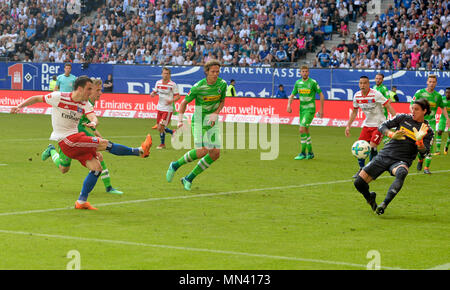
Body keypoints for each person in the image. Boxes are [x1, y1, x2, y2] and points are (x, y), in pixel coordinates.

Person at [10, 76, 152, 210]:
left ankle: (81, 201)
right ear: (80, 89)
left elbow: (93, 117)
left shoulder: (84, 104)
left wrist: (93, 122)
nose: (91, 92)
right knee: (104, 144)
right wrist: (19, 106)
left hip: (76, 138)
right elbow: (36, 98)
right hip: (67, 140)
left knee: (96, 168)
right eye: (89, 89)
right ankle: (139, 151)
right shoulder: (59, 97)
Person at [41, 78, 123, 195]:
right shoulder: (83, 99)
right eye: (98, 90)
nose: (100, 93)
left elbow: (88, 120)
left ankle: (109, 187)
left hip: (80, 132)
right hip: (71, 135)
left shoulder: (89, 103)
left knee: (96, 156)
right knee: (64, 168)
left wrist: (95, 130)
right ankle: (52, 150)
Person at [353, 98, 434, 215]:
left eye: (417, 109)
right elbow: (382, 126)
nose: (413, 111)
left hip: (401, 160)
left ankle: (383, 205)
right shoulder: (403, 118)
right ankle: (370, 198)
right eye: (413, 108)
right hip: (385, 155)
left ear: (424, 111)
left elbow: (424, 153)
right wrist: (391, 134)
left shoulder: (428, 131)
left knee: (401, 173)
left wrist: (420, 141)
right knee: (359, 183)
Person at [166, 60, 227, 191]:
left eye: (217, 72)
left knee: (215, 153)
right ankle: (175, 165)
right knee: (203, 149)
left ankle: (188, 178)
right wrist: (180, 120)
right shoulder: (198, 87)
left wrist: (216, 113)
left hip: (212, 121)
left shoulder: (222, 85)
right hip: (199, 119)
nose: (215, 74)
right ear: (206, 72)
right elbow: (183, 103)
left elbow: (222, 101)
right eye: (213, 72)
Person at [345, 76, 397, 178]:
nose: (362, 85)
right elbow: (355, 111)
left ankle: (371, 170)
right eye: (360, 83)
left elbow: (388, 105)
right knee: (359, 147)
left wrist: (396, 120)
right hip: (367, 125)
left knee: (372, 146)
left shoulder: (376, 94)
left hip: (379, 125)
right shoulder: (357, 96)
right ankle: (361, 169)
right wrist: (348, 126)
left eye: (365, 83)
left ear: (368, 84)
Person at [411, 75, 450, 174]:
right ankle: (420, 160)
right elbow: (411, 105)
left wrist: (447, 118)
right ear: (427, 82)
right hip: (419, 123)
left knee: (429, 145)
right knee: (419, 144)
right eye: (430, 81)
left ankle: (426, 168)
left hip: (431, 124)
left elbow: (443, 107)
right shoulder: (420, 93)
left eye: (433, 82)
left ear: (436, 83)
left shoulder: (438, 96)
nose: (432, 83)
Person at [287, 66, 325, 160]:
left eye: (306, 71)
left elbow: (321, 95)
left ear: (308, 73)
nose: (304, 73)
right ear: (300, 73)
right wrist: (288, 105)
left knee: (301, 129)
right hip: (302, 110)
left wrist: (321, 110)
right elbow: (292, 95)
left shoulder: (313, 82)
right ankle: (310, 153)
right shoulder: (298, 83)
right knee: (306, 130)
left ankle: (303, 153)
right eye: (303, 71)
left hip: (310, 109)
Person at [150, 67, 180, 149]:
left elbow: (178, 96)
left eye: (167, 73)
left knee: (160, 127)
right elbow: (155, 91)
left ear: (170, 75)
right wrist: (152, 93)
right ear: (162, 74)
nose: (165, 75)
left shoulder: (173, 84)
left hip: (167, 109)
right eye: (164, 73)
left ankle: (162, 144)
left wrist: (171, 101)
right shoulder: (158, 83)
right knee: (160, 127)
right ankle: (172, 132)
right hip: (159, 108)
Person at [435, 88, 450, 155]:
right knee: (439, 131)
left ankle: (446, 146)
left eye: (449, 93)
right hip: (443, 118)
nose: (447, 94)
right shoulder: (442, 99)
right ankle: (438, 150)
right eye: (446, 92)